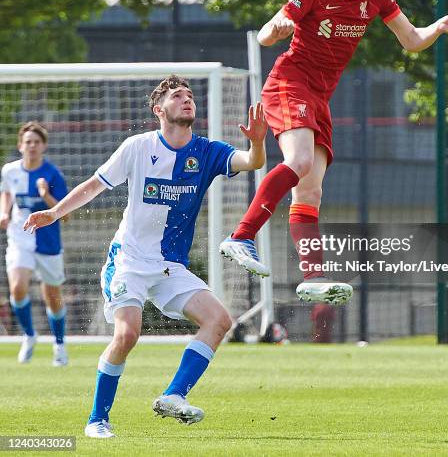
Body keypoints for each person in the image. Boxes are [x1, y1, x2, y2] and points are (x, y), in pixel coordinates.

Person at [220, 0, 448, 305]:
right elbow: (265, 37)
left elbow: (412, 41)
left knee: (310, 190)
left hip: (320, 97)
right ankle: (241, 236)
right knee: (300, 162)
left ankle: (312, 276)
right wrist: (279, 28)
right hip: (289, 84)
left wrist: (438, 26)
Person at [23, 75, 268, 439]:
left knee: (218, 320)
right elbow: (94, 184)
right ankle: (97, 420)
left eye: (189, 96)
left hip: (170, 267)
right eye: (177, 96)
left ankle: (173, 395)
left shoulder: (207, 151)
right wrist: (54, 212)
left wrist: (259, 142)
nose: (188, 100)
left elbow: (251, 161)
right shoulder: (137, 147)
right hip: (131, 261)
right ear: (159, 110)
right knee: (127, 334)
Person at [0, 121, 69, 366]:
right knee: (17, 287)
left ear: (44, 146)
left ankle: (59, 345)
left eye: (36, 142)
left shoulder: (52, 175)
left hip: (48, 241)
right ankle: (29, 335)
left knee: (52, 295)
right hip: (20, 238)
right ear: (20, 146)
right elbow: (7, 192)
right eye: (28, 142)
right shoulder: (10, 171)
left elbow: (66, 214)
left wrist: (45, 196)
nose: (32, 146)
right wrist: (4, 212)